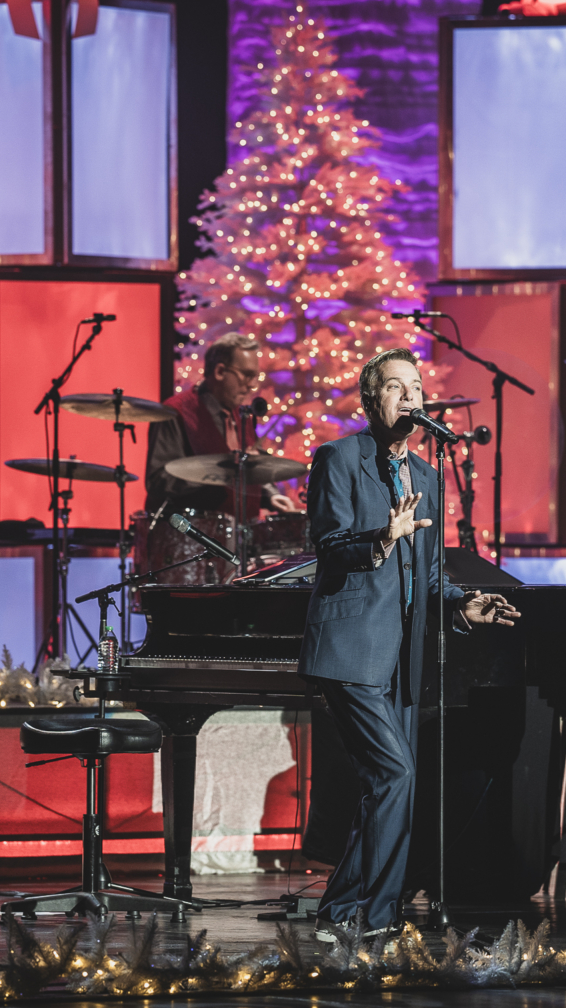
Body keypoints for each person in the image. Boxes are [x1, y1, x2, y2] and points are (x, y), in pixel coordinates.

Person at [300, 348, 520, 939]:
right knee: (395, 774)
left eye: (416, 386)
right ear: (373, 402)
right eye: (396, 387)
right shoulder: (339, 458)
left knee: (389, 782)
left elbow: (427, 577)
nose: (411, 396)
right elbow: (328, 544)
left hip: (402, 655)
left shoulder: (426, 475)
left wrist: (462, 605)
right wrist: (383, 537)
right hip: (348, 648)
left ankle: (340, 911)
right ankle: (377, 917)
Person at [143, 331, 301, 517]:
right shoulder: (175, 412)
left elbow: (251, 469)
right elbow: (158, 481)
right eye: (246, 375)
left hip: (241, 537)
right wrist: (222, 470)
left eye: (254, 376)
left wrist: (271, 495)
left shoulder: (243, 416)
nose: (252, 385)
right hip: (191, 536)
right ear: (219, 372)